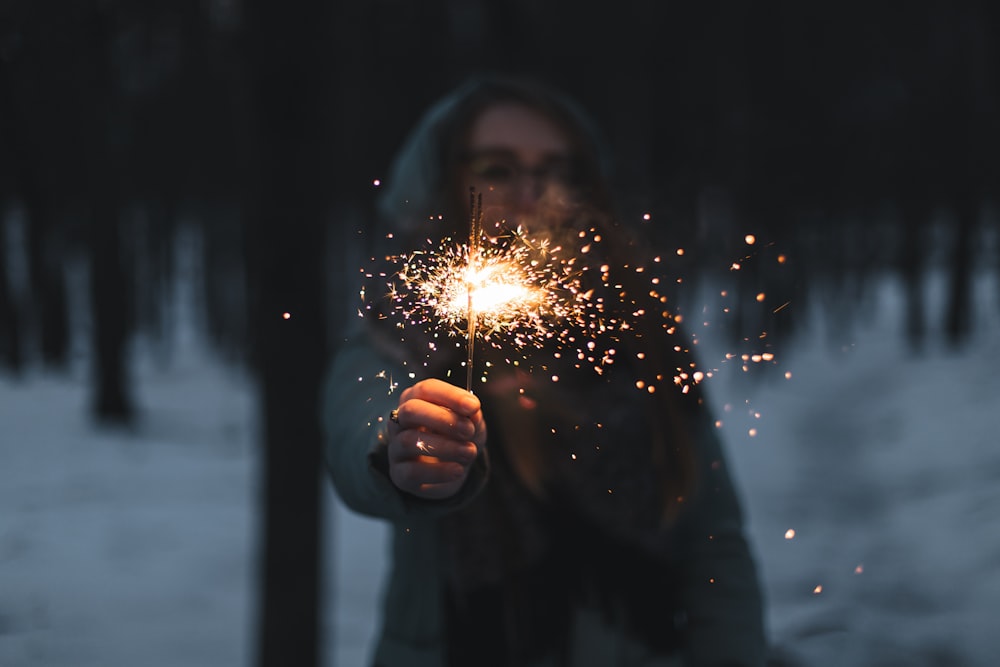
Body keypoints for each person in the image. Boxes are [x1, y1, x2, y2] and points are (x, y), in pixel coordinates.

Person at [323, 75, 767, 667]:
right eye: (497, 167)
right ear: (442, 181)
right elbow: (358, 430)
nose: (530, 191)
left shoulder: (639, 335)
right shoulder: (401, 335)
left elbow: (713, 541)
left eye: (559, 169)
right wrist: (403, 452)